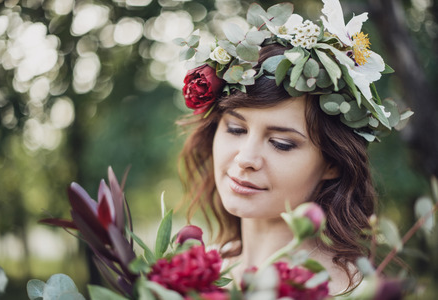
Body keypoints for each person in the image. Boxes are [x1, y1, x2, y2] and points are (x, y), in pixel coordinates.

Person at [176, 0, 411, 296]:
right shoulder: (188, 272)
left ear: (332, 163)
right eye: (235, 129)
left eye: (281, 144)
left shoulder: (352, 292)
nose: (246, 159)